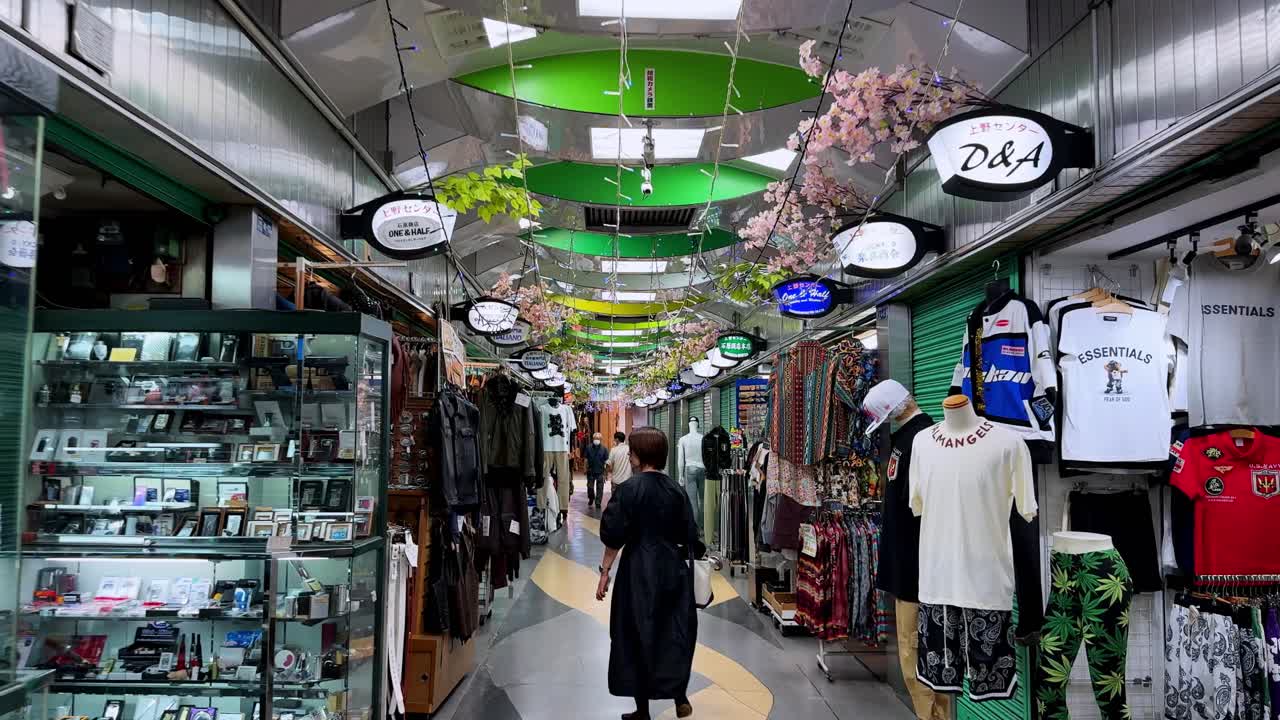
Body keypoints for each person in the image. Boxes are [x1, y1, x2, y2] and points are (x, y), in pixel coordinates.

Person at [596, 426, 702, 720]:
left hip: (638, 570)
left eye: (631, 452)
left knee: (635, 633)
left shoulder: (630, 489)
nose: (628, 457)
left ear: (641, 455)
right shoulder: (675, 490)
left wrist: (604, 572)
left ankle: (642, 711)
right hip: (672, 568)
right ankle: (679, 694)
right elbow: (690, 534)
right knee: (673, 630)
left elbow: (614, 535)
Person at [585, 432, 610, 508]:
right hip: (590, 471)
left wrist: (606, 474)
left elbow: (607, 462)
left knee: (600, 488)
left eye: (598, 438)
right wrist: (585, 468)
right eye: (595, 438)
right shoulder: (588, 447)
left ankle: (598, 502)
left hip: (600, 472)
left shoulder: (604, 449)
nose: (596, 440)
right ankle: (591, 498)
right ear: (593, 439)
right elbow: (586, 459)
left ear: (601, 439)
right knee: (590, 487)